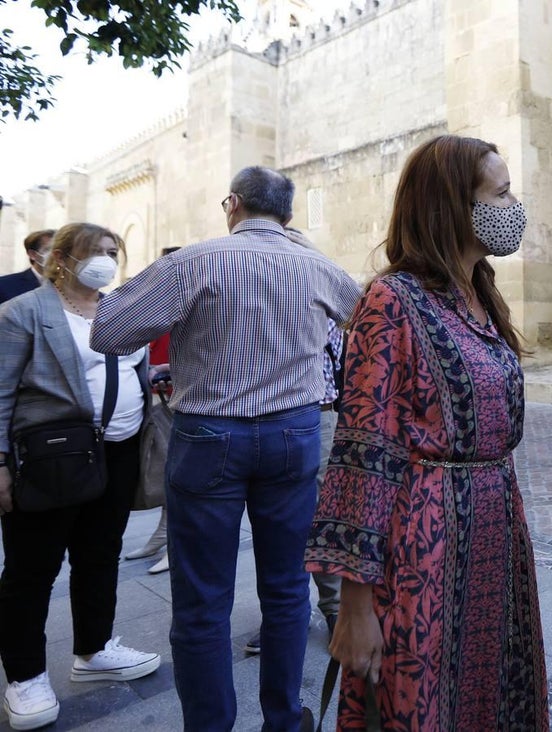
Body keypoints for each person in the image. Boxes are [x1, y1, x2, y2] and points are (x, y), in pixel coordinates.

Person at [90, 166, 361, 731]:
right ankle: (285, 720)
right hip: (293, 433)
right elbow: (369, 330)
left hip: (209, 436)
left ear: (232, 203)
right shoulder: (321, 268)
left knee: (202, 601)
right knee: (287, 591)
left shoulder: (194, 260)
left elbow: (108, 331)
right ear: (286, 214)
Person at [304, 135, 549, 730]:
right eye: (502, 192)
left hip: (494, 529)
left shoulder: (479, 296)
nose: (513, 206)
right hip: (424, 545)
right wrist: (354, 606)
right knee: (424, 697)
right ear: (452, 207)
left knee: (491, 689)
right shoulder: (392, 299)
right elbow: (363, 451)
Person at [0, 223, 160, 731]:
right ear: (64, 258)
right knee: (32, 569)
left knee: (100, 554)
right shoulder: (22, 313)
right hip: (51, 458)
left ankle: (94, 650)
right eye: (97, 252)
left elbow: (132, 371)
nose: (107, 261)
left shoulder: (121, 311)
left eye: (114, 252)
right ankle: (24, 677)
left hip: (117, 453)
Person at [244, 229, 343, 656]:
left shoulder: (323, 299)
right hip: (258, 426)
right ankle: (286, 616)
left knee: (322, 520)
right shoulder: (248, 296)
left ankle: (336, 610)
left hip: (315, 420)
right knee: (277, 528)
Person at [123, 246, 182, 577]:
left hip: (178, 400)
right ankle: (162, 535)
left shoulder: (189, 303)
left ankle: (172, 541)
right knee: (163, 470)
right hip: (157, 398)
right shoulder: (159, 305)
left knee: (175, 474)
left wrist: (168, 368)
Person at [0, 230, 55, 305]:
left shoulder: (69, 285)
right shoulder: (5, 285)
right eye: (48, 249)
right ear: (32, 254)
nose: (56, 255)